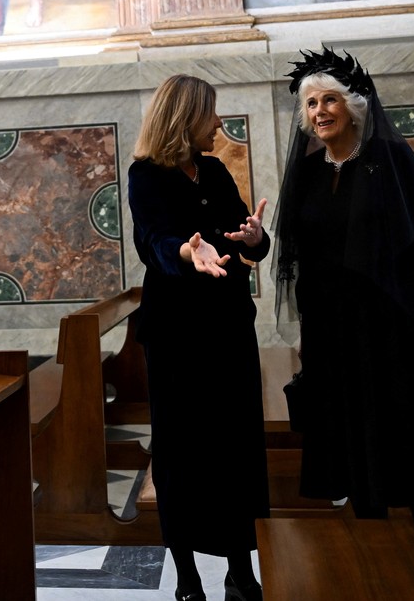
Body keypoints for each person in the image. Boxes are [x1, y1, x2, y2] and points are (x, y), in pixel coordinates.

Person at [273, 50, 414, 525]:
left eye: (330, 100)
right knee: (344, 420)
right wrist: (306, 328)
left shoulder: (390, 159)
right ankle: (367, 518)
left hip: (385, 319)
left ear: (353, 107)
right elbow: (301, 256)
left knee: (397, 418)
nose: (320, 112)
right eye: (312, 103)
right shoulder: (309, 172)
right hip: (329, 323)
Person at [127, 74, 269, 601]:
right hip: (177, 336)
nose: (218, 122)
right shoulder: (146, 175)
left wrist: (254, 238)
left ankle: (240, 571)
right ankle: (187, 578)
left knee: (236, 448)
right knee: (180, 452)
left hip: (228, 329)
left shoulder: (213, 170)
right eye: (210, 112)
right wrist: (188, 252)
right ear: (185, 117)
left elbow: (244, 237)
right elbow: (152, 241)